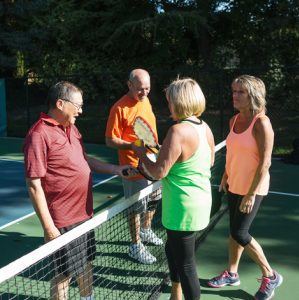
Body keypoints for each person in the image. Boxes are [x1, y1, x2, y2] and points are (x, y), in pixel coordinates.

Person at [23, 81, 132, 300]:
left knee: (86, 263)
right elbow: (34, 185)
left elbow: (83, 160)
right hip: (63, 219)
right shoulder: (38, 135)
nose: (81, 110)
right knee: (64, 274)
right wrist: (49, 228)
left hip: (85, 213)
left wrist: (116, 169)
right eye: (78, 105)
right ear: (61, 104)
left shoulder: (71, 127)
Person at [133, 78, 215, 300]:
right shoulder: (204, 127)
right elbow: (208, 161)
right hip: (200, 201)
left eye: (170, 100)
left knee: (187, 265)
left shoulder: (178, 131)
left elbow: (158, 173)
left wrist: (140, 152)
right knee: (172, 249)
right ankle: (176, 293)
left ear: (179, 101)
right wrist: (166, 153)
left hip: (182, 207)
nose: (168, 105)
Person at [207, 75, 283, 300]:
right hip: (234, 183)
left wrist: (250, 194)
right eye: (233, 91)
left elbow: (265, 162)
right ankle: (232, 273)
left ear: (253, 96)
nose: (235, 95)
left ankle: (270, 275)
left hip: (253, 188)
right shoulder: (233, 120)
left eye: (240, 92)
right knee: (234, 230)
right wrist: (225, 174)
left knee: (240, 233)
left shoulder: (261, 123)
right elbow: (232, 152)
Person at [105, 68, 163, 264]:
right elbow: (110, 140)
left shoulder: (145, 100)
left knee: (154, 197)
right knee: (136, 207)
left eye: (147, 88)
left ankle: (146, 230)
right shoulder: (119, 108)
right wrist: (131, 145)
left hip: (153, 161)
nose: (144, 93)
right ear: (129, 85)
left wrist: (154, 148)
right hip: (132, 166)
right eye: (140, 89)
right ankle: (135, 244)